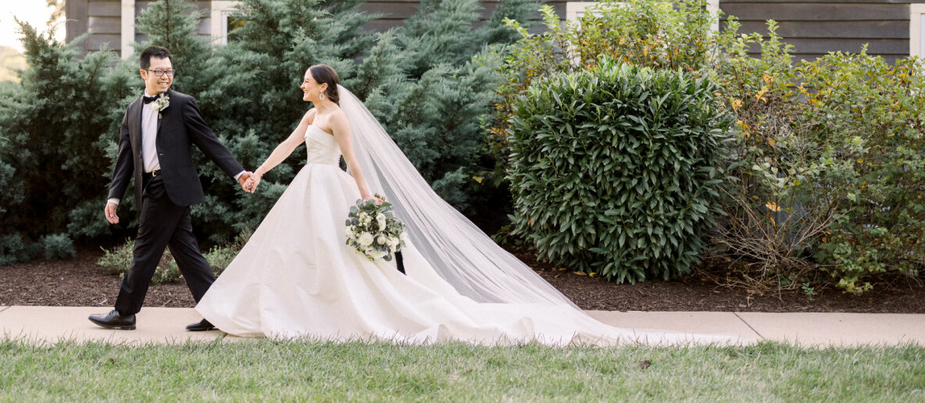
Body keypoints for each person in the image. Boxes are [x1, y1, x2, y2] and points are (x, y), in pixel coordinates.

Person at [195, 64, 730, 346]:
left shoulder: (337, 117)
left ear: (323, 88)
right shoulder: (310, 117)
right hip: (302, 190)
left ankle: (329, 311)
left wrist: (367, 200)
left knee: (338, 258)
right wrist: (258, 174)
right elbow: (289, 146)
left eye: (307, 82)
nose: (301, 87)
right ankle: (284, 308)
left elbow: (356, 164)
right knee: (293, 253)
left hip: (331, 188)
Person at [89, 46, 253, 332]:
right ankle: (217, 311)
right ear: (144, 73)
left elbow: (208, 140)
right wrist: (114, 195)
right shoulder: (132, 111)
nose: (165, 76)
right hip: (151, 184)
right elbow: (125, 158)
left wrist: (238, 173)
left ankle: (124, 312)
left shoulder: (182, 103)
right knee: (187, 252)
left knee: (144, 249)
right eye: (159, 71)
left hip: (169, 185)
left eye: (169, 71)